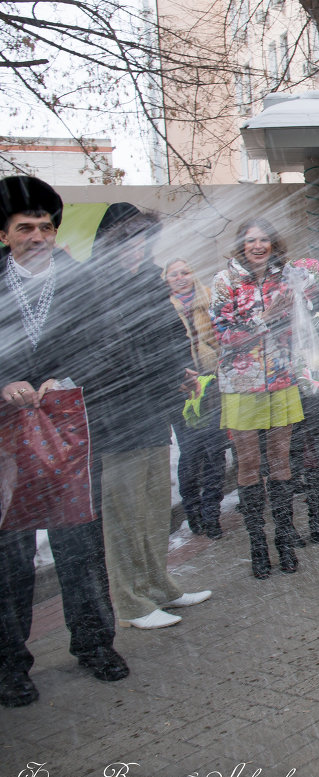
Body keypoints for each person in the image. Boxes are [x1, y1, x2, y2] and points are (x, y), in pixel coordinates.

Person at [0, 176, 129, 706]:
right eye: (25, 227)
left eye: (45, 227)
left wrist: (70, 375)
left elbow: (110, 345)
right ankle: (11, 664)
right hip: (6, 440)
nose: (37, 235)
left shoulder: (84, 282)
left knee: (80, 544)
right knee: (10, 556)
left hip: (69, 435)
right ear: (5, 234)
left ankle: (95, 644)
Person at [88, 204, 212, 630]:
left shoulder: (147, 281)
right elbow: (103, 357)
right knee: (124, 515)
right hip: (115, 420)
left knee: (154, 506)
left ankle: (159, 585)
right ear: (108, 243)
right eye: (126, 241)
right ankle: (130, 603)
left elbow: (168, 338)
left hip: (152, 412)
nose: (136, 250)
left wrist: (182, 371)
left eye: (142, 240)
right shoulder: (94, 287)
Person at [210, 218, 304, 579]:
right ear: (241, 245)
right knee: (249, 466)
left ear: (274, 243)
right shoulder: (225, 281)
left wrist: (300, 309)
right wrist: (265, 318)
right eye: (251, 240)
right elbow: (225, 335)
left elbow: (300, 327)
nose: (259, 245)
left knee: (281, 462)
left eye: (265, 239)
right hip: (241, 383)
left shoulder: (287, 277)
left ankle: (284, 539)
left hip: (281, 379)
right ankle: (257, 546)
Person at [164, 258, 226, 540]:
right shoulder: (162, 307)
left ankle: (212, 512)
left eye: (185, 272)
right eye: (174, 274)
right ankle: (193, 511)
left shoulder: (210, 299)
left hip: (211, 380)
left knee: (215, 450)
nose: (181, 277)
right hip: (181, 387)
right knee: (190, 452)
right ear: (166, 279)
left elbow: (223, 334)